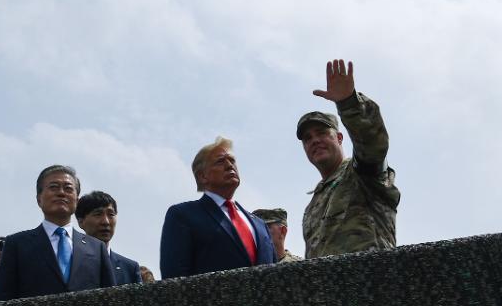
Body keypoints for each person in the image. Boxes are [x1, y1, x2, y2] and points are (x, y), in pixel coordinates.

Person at [297, 59, 399, 259]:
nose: (315, 140)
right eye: (307, 138)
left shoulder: (360, 174)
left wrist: (348, 103)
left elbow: (373, 145)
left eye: (321, 133)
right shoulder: (312, 206)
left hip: (373, 285)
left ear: (339, 137)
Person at [159, 136, 276, 278]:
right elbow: (173, 281)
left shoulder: (260, 224)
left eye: (232, 160)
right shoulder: (183, 216)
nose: (229, 165)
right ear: (202, 176)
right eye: (220, 161)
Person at [0, 165, 115, 301]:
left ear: (77, 200)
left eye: (68, 188)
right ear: (39, 198)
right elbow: (2, 303)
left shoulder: (97, 248)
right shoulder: (17, 245)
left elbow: (110, 301)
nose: (61, 193)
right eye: (54, 187)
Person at [75, 191, 143, 285]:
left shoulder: (130, 269)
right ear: (81, 221)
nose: (106, 222)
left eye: (111, 214)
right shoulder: (71, 262)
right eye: (98, 214)